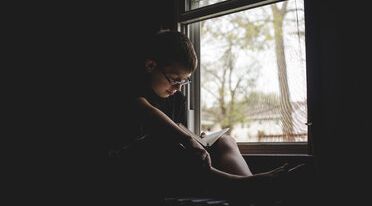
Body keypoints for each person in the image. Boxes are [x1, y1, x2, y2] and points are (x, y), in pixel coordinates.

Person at [106, 30, 312, 205]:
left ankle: (252, 188)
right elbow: (150, 114)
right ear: (151, 66)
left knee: (225, 140)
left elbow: (179, 130)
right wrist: (187, 139)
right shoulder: (130, 88)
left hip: (169, 160)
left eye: (184, 81)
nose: (178, 88)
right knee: (167, 139)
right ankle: (246, 186)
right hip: (129, 164)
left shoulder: (176, 99)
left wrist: (197, 138)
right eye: (175, 79)